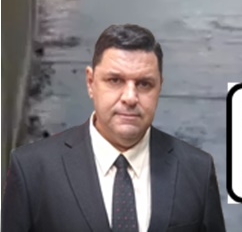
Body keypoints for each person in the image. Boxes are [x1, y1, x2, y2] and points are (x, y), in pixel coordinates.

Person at [2, 24, 226, 232]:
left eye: (144, 84)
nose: (130, 97)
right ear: (91, 83)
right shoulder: (32, 170)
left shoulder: (196, 170)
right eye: (115, 81)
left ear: (159, 87)